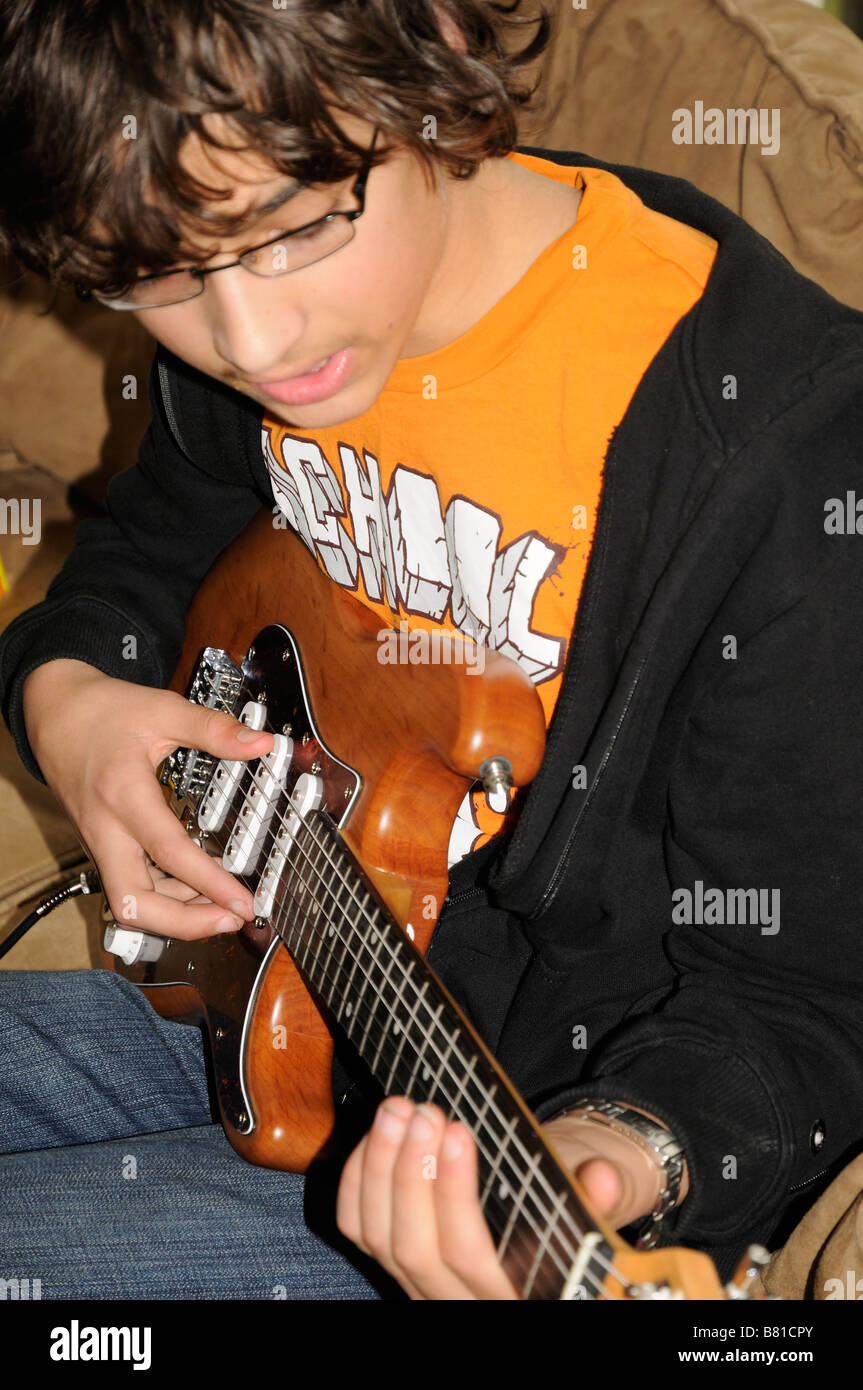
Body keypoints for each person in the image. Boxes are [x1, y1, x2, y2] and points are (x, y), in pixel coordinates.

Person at [1, 0, 862, 1302]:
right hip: (266, 1004)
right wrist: (65, 701)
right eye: (159, 273)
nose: (248, 341)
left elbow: (804, 1000)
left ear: (443, 53)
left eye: (293, 230)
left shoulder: (776, 451)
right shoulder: (240, 315)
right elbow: (141, 563)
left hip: (517, 1137)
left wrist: (620, 1149)